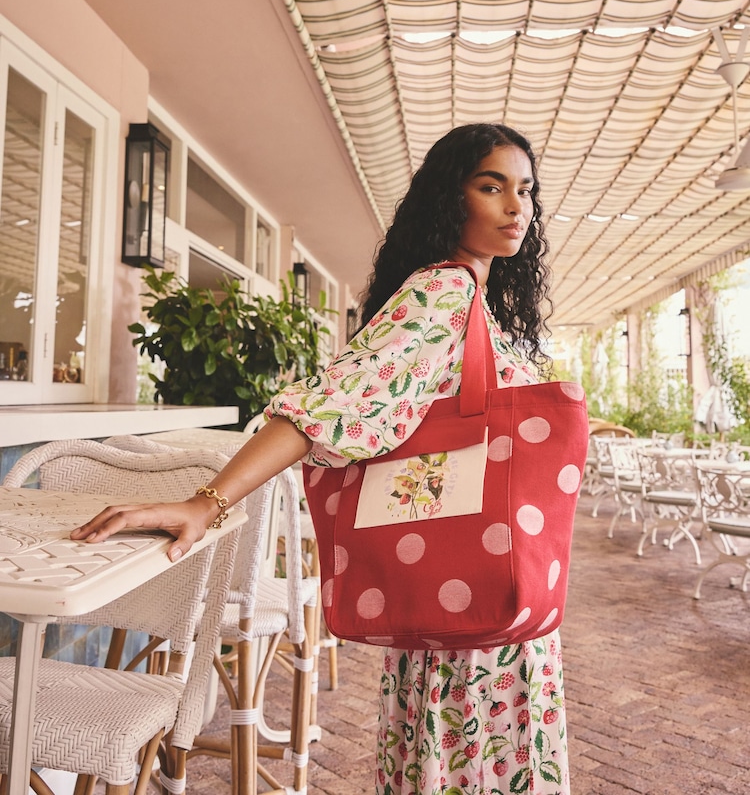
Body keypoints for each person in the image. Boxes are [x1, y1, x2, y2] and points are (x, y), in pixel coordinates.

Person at [73, 122, 568, 795]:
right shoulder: (444, 294)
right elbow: (328, 406)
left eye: (526, 190)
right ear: (452, 200)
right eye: (492, 186)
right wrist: (206, 503)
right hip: (476, 623)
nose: (516, 206)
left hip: (494, 608)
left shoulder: (479, 309)